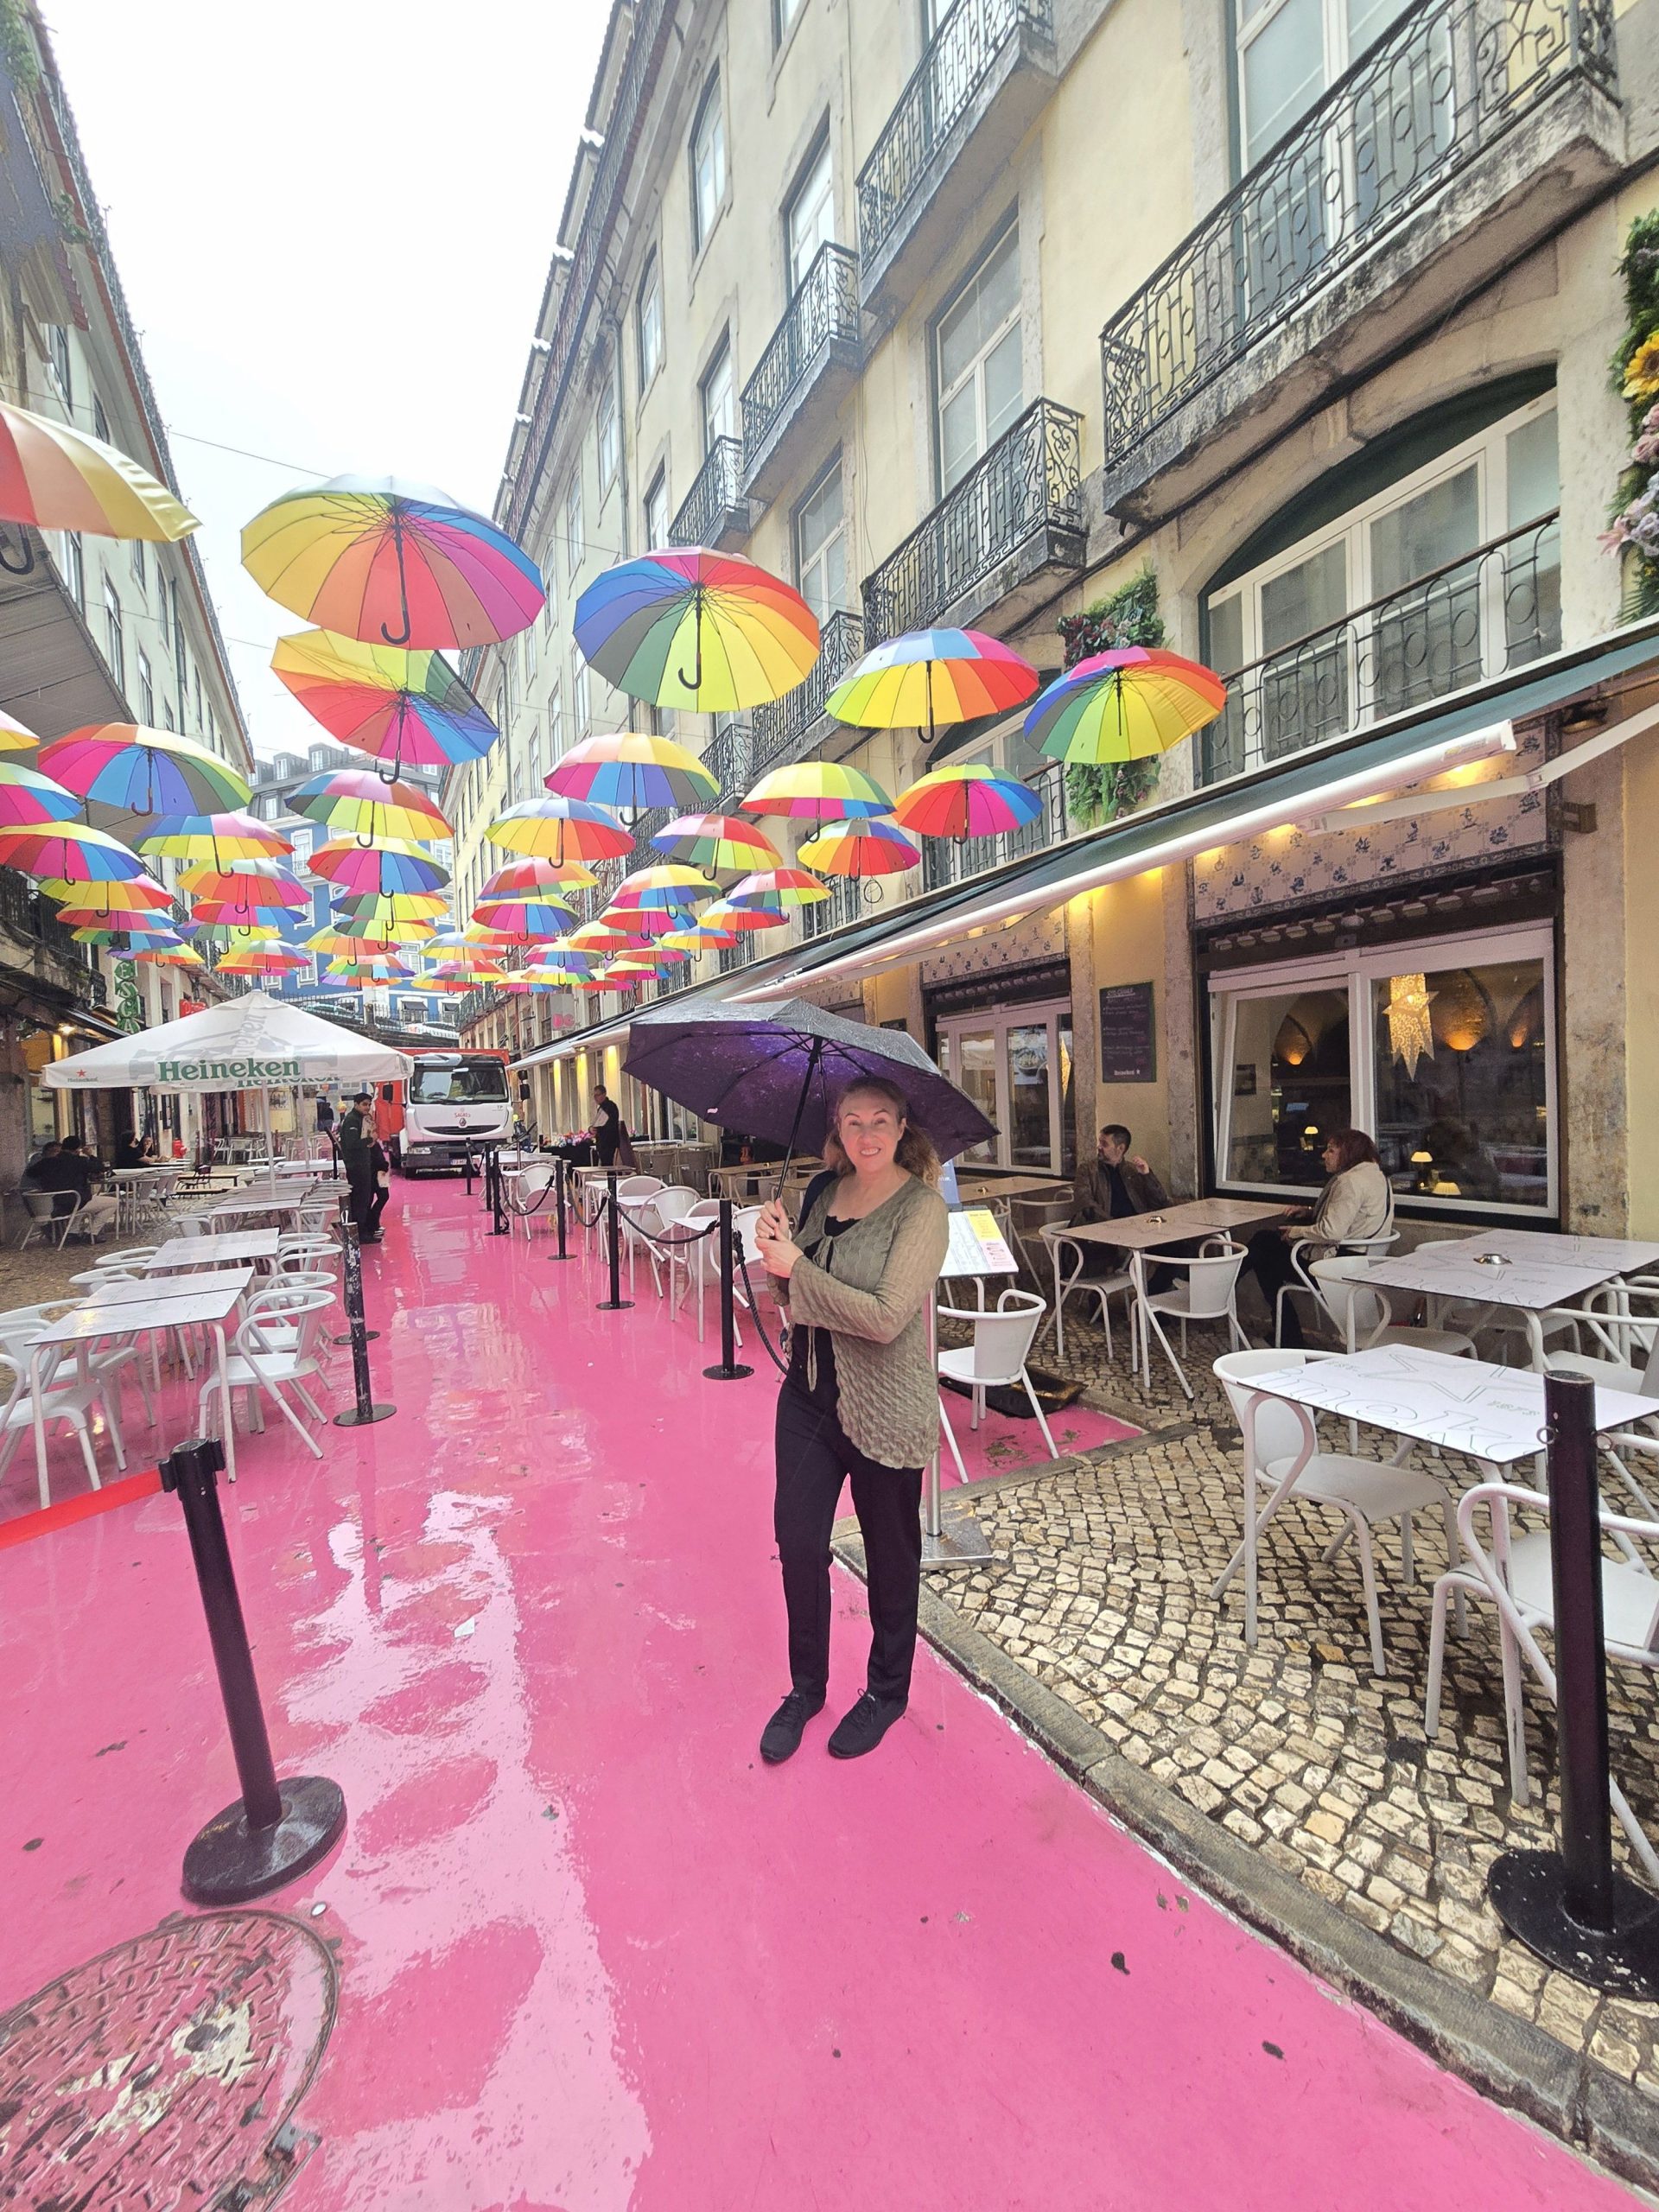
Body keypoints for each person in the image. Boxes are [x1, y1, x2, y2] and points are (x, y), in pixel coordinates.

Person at [753, 1077, 950, 1765]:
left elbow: (887, 1316)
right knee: (798, 1541)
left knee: (890, 1553)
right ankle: (806, 1688)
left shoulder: (922, 1210)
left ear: (902, 1128)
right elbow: (791, 1296)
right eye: (854, 1121)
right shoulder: (822, 1191)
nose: (867, 1135)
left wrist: (799, 1268)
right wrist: (776, 1251)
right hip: (808, 1394)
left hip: (884, 1403)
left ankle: (887, 1691)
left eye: (880, 1121)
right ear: (837, 1127)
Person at [1242, 1127, 1395, 1349]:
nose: (1324, 1155)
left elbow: (1332, 1231)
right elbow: (1354, 1217)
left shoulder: (1350, 1182)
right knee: (1264, 1244)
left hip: (1337, 1269)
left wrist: (1296, 1232)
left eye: (1331, 1150)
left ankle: (1224, 1290)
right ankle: (1285, 1335)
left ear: (1349, 1153)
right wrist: (1310, 1213)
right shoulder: (1378, 1176)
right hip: (1362, 1263)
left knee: (1263, 1251)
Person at [1069, 1123, 1169, 1277]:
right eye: (1099, 1142)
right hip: (1105, 1233)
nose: (1099, 1147)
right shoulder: (1087, 1170)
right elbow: (1084, 1203)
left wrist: (1147, 1175)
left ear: (1120, 1148)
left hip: (1138, 1231)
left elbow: (1160, 1202)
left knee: (1180, 1249)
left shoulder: (1132, 1171)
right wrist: (1114, 1226)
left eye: (1104, 1144)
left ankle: (1153, 1290)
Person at [44, 1134, 119, 1239]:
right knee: (114, 1202)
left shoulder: (50, 1161)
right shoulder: (79, 1161)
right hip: (75, 1202)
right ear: (77, 1149)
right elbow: (100, 1167)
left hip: (55, 1203)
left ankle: (72, 1232)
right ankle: (92, 1232)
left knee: (83, 1201)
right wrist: (91, 1155)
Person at [338, 1090, 376, 1237]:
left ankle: (364, 1230)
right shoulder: (352, 1120)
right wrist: (369, 1140)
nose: (367, 1107)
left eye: (369, 1104)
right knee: (360, 1200)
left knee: (364, 1198)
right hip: (356, 1167)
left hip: (363, 1164)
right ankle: (360, 1233)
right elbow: (352, 1143)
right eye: (364, 1104)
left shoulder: (361, 1119)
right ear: (356, 1104)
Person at [363, 1132, 391, 1243]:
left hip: (378, 1173)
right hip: (373, 1174)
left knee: (382, 1196)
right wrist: (383, 1166)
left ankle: (373, 1223)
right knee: (372, 1199)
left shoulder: (375, 1145)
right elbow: (377, 1159)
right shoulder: (369, 1146)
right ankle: (371, 1224)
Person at [592, 1085, 626, 1168]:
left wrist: (598, 1129)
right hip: (602, 1144)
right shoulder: (601, 1108)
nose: (595, 1098)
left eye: (597, 1095)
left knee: (609, 1166)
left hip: (609, 1143)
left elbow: (609, 1126)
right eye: (594, 1096)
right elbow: (597, 1123)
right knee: (605, 1166)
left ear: (604, 1094)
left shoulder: (610, 1107)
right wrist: (591, 1129)